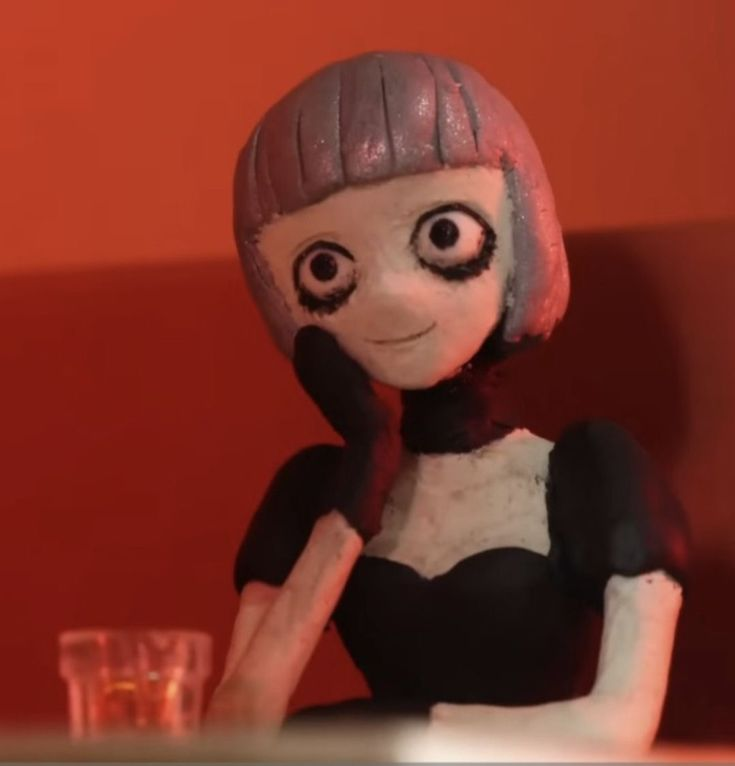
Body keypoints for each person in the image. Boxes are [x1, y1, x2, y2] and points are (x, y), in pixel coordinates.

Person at [206, 51, 689, 752]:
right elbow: (235, 729)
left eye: (443, 235)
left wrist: (382, 732)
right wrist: (363, 471)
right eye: (326, 268)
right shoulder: (314, 489)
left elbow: (615, 728)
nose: (390, 295)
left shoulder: (586, 473)